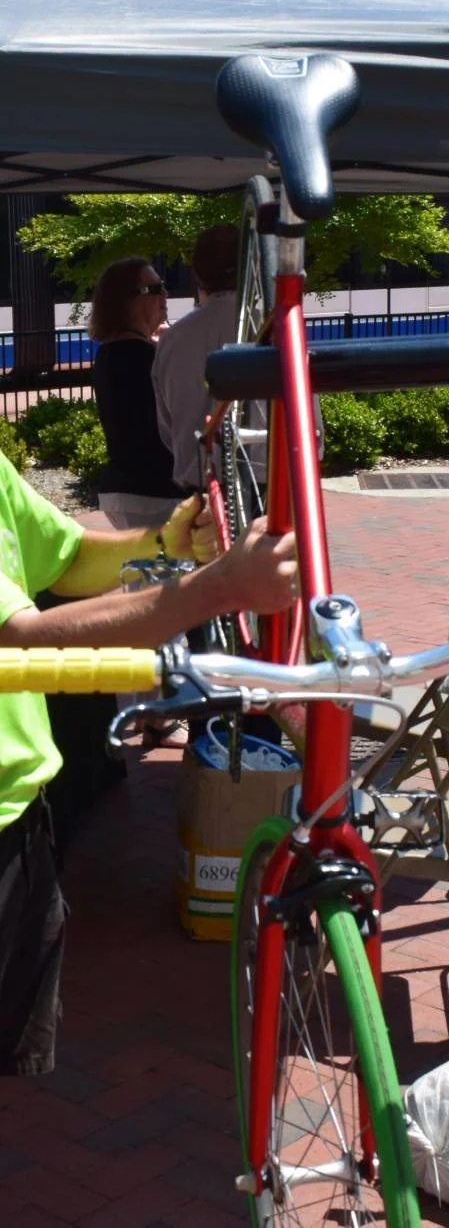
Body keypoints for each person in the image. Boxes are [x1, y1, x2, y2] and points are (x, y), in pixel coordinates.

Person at [0, 455, 296, 1076]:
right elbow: (20, 642)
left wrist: (165, 543)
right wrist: (217, 588)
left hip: (20, 810)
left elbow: (64, 557)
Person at [90, 257, 184, 530]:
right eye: (154, 289)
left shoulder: (109, 354)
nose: (165, 294)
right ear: (126, 301)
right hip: (158, 493)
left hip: (122, 491)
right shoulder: (148, 358)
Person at [152, 225, 240, 494]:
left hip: (199, 485)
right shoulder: (280, 330)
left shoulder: (172, 339)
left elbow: (168, 429)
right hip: (273, 485)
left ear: (197, 273)